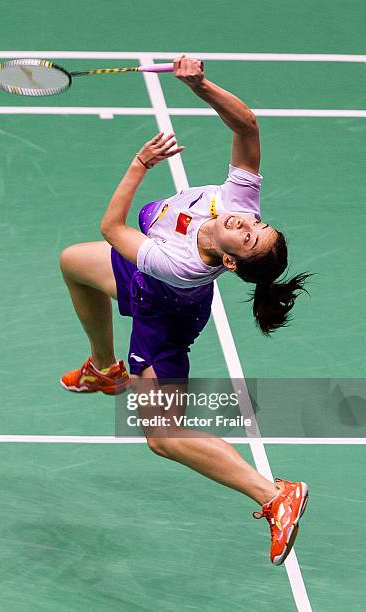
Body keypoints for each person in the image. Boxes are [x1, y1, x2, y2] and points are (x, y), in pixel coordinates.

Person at [59, 56, 309, 565]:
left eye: (249, 237)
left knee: (163, 436)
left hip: (163, 314)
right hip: (144, 277)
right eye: (257, 226)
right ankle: (105, 368)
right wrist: (200, 85)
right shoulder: (238, 201)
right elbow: (246, 125)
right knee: (73, 264)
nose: (247, 224)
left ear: (233, 264)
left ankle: (273, 494)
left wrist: (139, 166)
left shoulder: (181, 263)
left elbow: (113, 229)